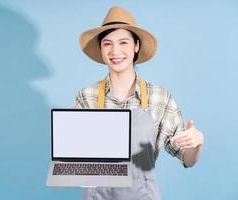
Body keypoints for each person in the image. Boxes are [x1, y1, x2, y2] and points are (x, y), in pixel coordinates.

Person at [74, 6, 204, 200]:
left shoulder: (159, 97)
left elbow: (188, 159)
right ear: (101, 49)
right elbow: (77, 159)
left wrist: (197, 143)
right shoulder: (86, 97)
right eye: (107, 44)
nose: (115, 51)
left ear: (136, 46)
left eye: (123, 42)